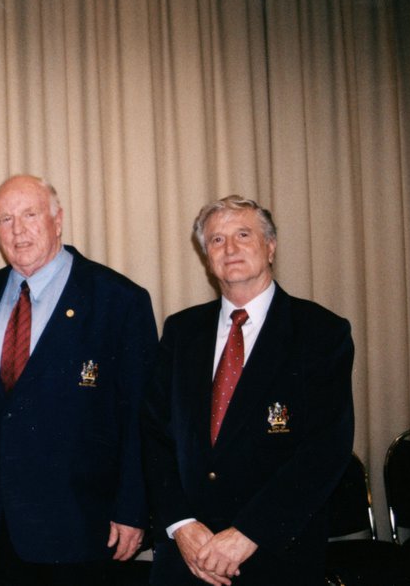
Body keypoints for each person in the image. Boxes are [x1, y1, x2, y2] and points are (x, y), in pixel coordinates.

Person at [0, 174, 158, 585]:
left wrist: (133, 510)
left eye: (30, 215)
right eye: (6, 219)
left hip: (76, 527)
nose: (18, 230)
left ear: (57, 220)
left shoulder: (118, 299)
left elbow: (140, 417)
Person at [141, 195, 354, 586]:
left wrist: (249, 533)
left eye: (243, 234)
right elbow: (155, 435)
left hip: (273, 554)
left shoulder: (320, 332)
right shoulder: (182, 331)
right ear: (206, 256)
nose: (230, 248)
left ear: (270, 247)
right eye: (217, 240)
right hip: (187, 555)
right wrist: (181, 524)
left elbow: (325, 448)